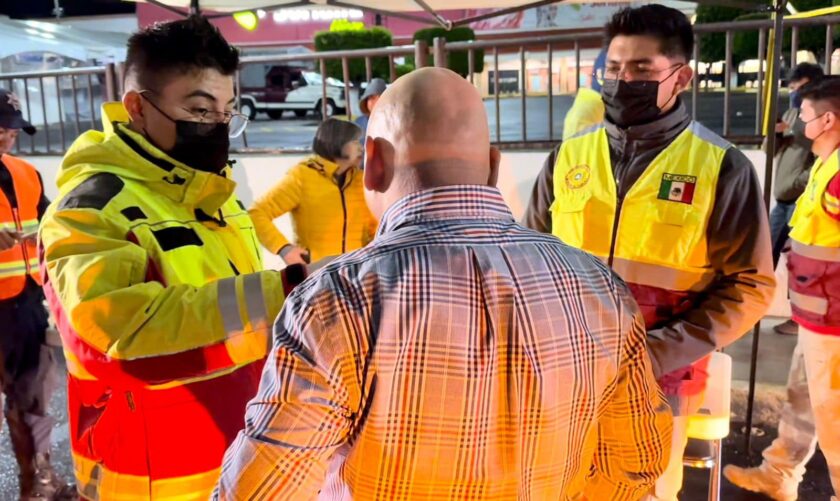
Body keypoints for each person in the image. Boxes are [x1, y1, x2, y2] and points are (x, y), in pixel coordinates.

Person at [215, 67, 673, 500]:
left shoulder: (335, 302)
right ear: (492, 166)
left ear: (373, 163)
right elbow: (637, 462)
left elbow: (261, 491)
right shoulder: (599, 288)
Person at [39, 17, 305, 500]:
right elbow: (117, 340)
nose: (218, 126)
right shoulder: (90, 210)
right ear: (137, 107)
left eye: (228, 112)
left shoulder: (215, 195)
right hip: (150, 479)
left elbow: (233, 315)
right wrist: (288, 293)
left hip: (236, 458)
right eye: (200, 110)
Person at [523, 5, 775, 500]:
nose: (622, 81)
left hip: (661, 379)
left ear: (680, 78)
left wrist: (655, 353)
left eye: (641, 70)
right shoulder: (568, 156)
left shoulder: (722, 167)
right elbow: (529, 256)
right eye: (614, 68)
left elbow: (751, 285)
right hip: (566, 370)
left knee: (648, 489)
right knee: (555, 482)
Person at [725, 76, 840, 501]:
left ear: (827, 120)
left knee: (834, 418)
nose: (796, 122)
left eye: (803, 115)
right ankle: (779, 473)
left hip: (835, 324)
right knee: (802, 402)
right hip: (817, 318)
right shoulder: (826, 164)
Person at [0, 89, 74, 500]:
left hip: (22, 302)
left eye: (12, 130)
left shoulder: (25, 172)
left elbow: (49, 221)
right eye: (0, 129)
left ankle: (38, 481)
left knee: (33, 391)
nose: (7, 137)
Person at [249, 118, 376, 265]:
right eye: (355, 142)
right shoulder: (302, 177)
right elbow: (256, 213)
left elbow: (375, 229)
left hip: (356, 272)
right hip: (315, 272)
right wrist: (284, 249)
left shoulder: (361, 180)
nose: (361, 148)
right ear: (337, 143)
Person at [768, 63, 824, 336]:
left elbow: (819, 157)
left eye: (798, 89)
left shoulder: (819, 116)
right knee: (764, 254)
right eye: (790, 89)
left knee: (799, 262)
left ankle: (798, 318)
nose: (793, 94)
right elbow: (771, 150)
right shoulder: (793, 113)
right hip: (782, 200)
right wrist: (777, 132)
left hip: (801, 199)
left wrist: (797, 183)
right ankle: (750, 307)